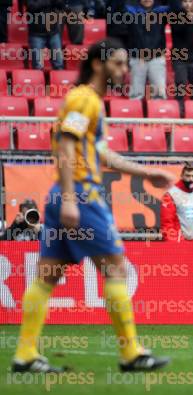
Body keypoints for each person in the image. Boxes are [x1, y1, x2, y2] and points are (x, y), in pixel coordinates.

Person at [11, 38, 176, 373]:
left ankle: (25, 354)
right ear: (99, 64)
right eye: (118, 63)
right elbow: (67, 146)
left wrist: (146, 172)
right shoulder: (84, 99)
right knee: (115, 268)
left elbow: (100, 153)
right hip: (80, 195)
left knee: (47, 275)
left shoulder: (89, 102)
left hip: (63, 195)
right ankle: (131, 354)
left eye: (126, 64)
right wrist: (72, 198)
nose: (124, 70)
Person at [119, 0, 174, 100]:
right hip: (137, 59)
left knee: (159, 96)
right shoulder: (130, 10)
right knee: (136, 96)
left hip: (156, 58)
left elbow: (177, 8)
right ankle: (134, 114)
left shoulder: (162, 10)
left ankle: (160, 114)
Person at [161, 162, 193, 242]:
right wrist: (174, 248)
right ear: (181, 176)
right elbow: (167, 225)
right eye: (187, 176)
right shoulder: (171, 195)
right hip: (182, 246)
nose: (191, 179)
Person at [26, 0, 65, 70]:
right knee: (37, 65)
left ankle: (57, 79)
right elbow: (31, 7)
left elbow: (61, 5)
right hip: (36, 33)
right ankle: (38, 80)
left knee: (59, 64)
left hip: (53, 32)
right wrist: (48, 2)